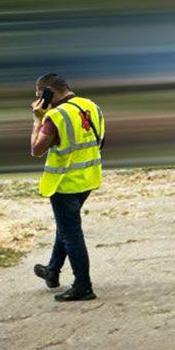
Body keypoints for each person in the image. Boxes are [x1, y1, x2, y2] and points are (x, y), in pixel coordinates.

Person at [29, 74, 105, 302]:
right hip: (87, 179)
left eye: (39, 95)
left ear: (47, 93)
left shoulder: (55, 116)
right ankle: (52, 271)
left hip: (64, 183)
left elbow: (36, 149)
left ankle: (83, 285)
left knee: (71, 233)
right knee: (66, 226)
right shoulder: (92, 106)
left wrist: (37, 119)